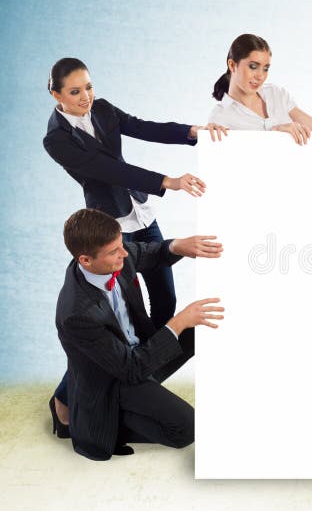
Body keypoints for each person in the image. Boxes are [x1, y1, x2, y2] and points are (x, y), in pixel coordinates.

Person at [44, 58, 228, 429]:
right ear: (56, 94)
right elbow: (108, 170)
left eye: (89, 87)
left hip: (142, 216)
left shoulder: (104, 109)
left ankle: (136, 376)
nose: (86, 97)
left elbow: (144, 127)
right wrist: (169, 181)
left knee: (165, 304)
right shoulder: (57, 140)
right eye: (76, 91)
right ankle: (66, 400)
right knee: (114, 323)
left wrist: (192, 132)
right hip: (111, 227)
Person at [51, 208, 224, 460]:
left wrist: (177, 246)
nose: (124, 253)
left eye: (121, 245)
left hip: (136, 355)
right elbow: (131, 370)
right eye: (114, 251)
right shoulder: (76, 314)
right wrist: (177, 323)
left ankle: (133, 399)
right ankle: (105, 421)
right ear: (85, 260)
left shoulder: (112, 256)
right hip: (117, 378)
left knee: (202, 329)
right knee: (187, 429)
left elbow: (145, 253)